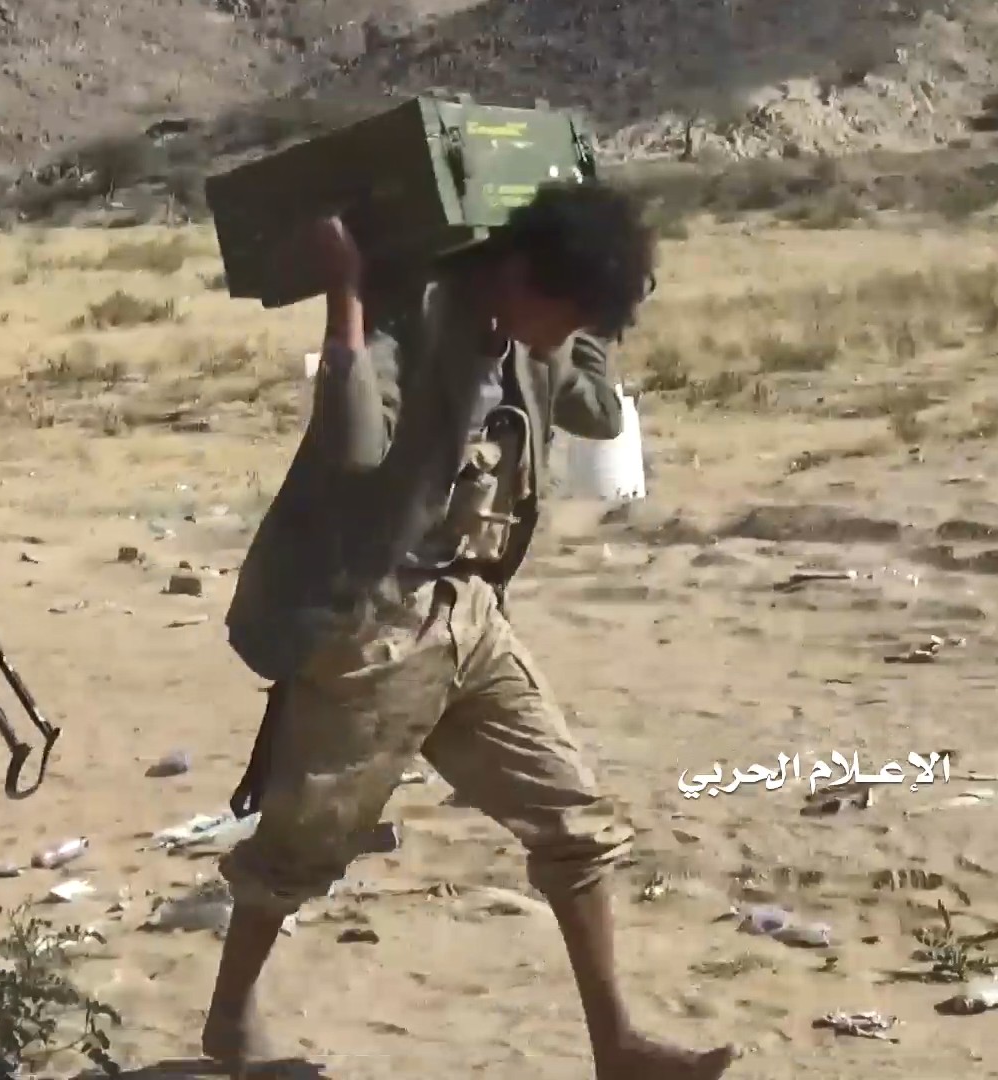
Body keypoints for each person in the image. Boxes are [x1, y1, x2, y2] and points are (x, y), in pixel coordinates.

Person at [204, 182, 736, 1080]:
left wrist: (602, 307)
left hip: (470, 614)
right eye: (566, 313)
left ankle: (618, 1046)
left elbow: (599, 412)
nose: (563, 337)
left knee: (575, 823)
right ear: (520, 274)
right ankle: (229, 1021)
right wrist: (347, 294)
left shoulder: (534, 339)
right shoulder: (417, 311)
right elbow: (351, 446)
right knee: (304, 841)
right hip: (373, 621)